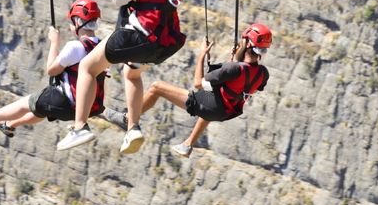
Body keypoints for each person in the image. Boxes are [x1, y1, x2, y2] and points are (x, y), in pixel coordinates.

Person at [57, 0, 186, 154]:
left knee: (87, 67)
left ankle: (79, 127)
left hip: (137, 36)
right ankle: (133, 127)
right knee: (132, 73)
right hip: (165, 42)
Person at [103, 23, 272, 158]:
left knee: (156, 87)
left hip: (213, 106)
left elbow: (198, 83)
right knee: (210, 98)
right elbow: (245, 83)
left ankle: (128, 120)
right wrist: (233, 63)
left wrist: (201, 55)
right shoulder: (263, 73)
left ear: (249, 43)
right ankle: (188, 144)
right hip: (226, 112)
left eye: (243, 40)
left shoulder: (234, 69)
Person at [0, 0, 107, 136]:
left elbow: (52, 70)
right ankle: (9, 124)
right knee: (42, 106)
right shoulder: (102, 48)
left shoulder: (75, 46)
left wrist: (54, 42)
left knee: (28, 102)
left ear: (76, 22)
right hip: (89, 108)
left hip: (67, 104)